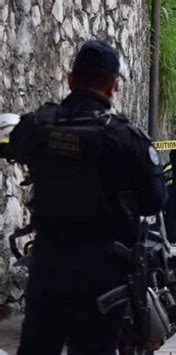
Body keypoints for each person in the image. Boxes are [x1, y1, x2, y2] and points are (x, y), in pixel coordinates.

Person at [8, 40, 167, 355]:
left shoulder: (38, 125)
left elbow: (14, 146)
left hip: (48, 264)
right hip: (103, 274)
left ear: (70, 79)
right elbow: (155, 201)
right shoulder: (125, 137)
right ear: (113, 85)